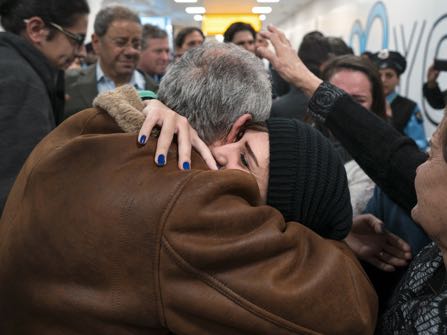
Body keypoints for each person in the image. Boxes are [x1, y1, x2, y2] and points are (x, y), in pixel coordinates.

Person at [0, 41, 378, 334]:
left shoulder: (93, 125)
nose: (228, 156)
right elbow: (351, 313)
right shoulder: (193, 204)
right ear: (237, 125)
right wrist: (334, 239)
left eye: (245, 164)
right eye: (243, 146)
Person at [257, 25, 447, 332]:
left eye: (433, 155)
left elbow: (395, 160)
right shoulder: (293, 151)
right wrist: (337, 235)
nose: (421, 167)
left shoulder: (399, 201)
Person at [0, 0, 89, 214]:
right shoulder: (20, 81)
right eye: (77, 39)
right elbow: (16, 190)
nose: (82, 53)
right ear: (37, 30)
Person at [64, 5, 157, 119]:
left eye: (136, 44)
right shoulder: (68, 83)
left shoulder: (158, 91)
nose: (130, 51)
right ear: (96, 42)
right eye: (120, 42)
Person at [371, 49, 429, 151]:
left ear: (398, 80)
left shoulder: (409, 107)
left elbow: (420, 145)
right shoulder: (367, 103)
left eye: (389, 75)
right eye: (379, 75)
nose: (383, 80)